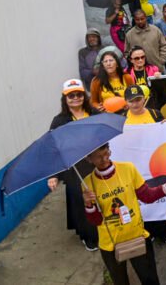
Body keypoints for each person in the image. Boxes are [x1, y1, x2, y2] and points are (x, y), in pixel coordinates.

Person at [82, 143, 166, 285]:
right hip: (111, 244)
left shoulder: (128, 168)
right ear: (89, 159)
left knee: (150, 279)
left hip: (137, 235)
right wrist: (88, 204)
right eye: (99, 157)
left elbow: (147, 196)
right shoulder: (87, 184)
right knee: (120, 281)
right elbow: (96, 221)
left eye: (106, 153)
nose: (105, 159)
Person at [47, 79, 99, 251]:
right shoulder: (59, 121)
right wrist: (53, 175)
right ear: (65, 99)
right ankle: (89, 236)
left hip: (96, 162)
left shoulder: (95, 113)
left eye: (79, 94)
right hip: (74, 168)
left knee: (100, 197)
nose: (76, 98)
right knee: (82, 202)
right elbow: (53, 148)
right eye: (71, 96)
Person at [121, 85, 166, 245]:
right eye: (131, 101)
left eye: (138, 99)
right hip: (135, 165)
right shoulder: (122, 119)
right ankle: (149, 231)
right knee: (142, 198)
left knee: (161, 196)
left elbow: (165, 136)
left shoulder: (155, 114)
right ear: (126, 103)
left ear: (144, 99)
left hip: (156, 164)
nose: (136, 103)